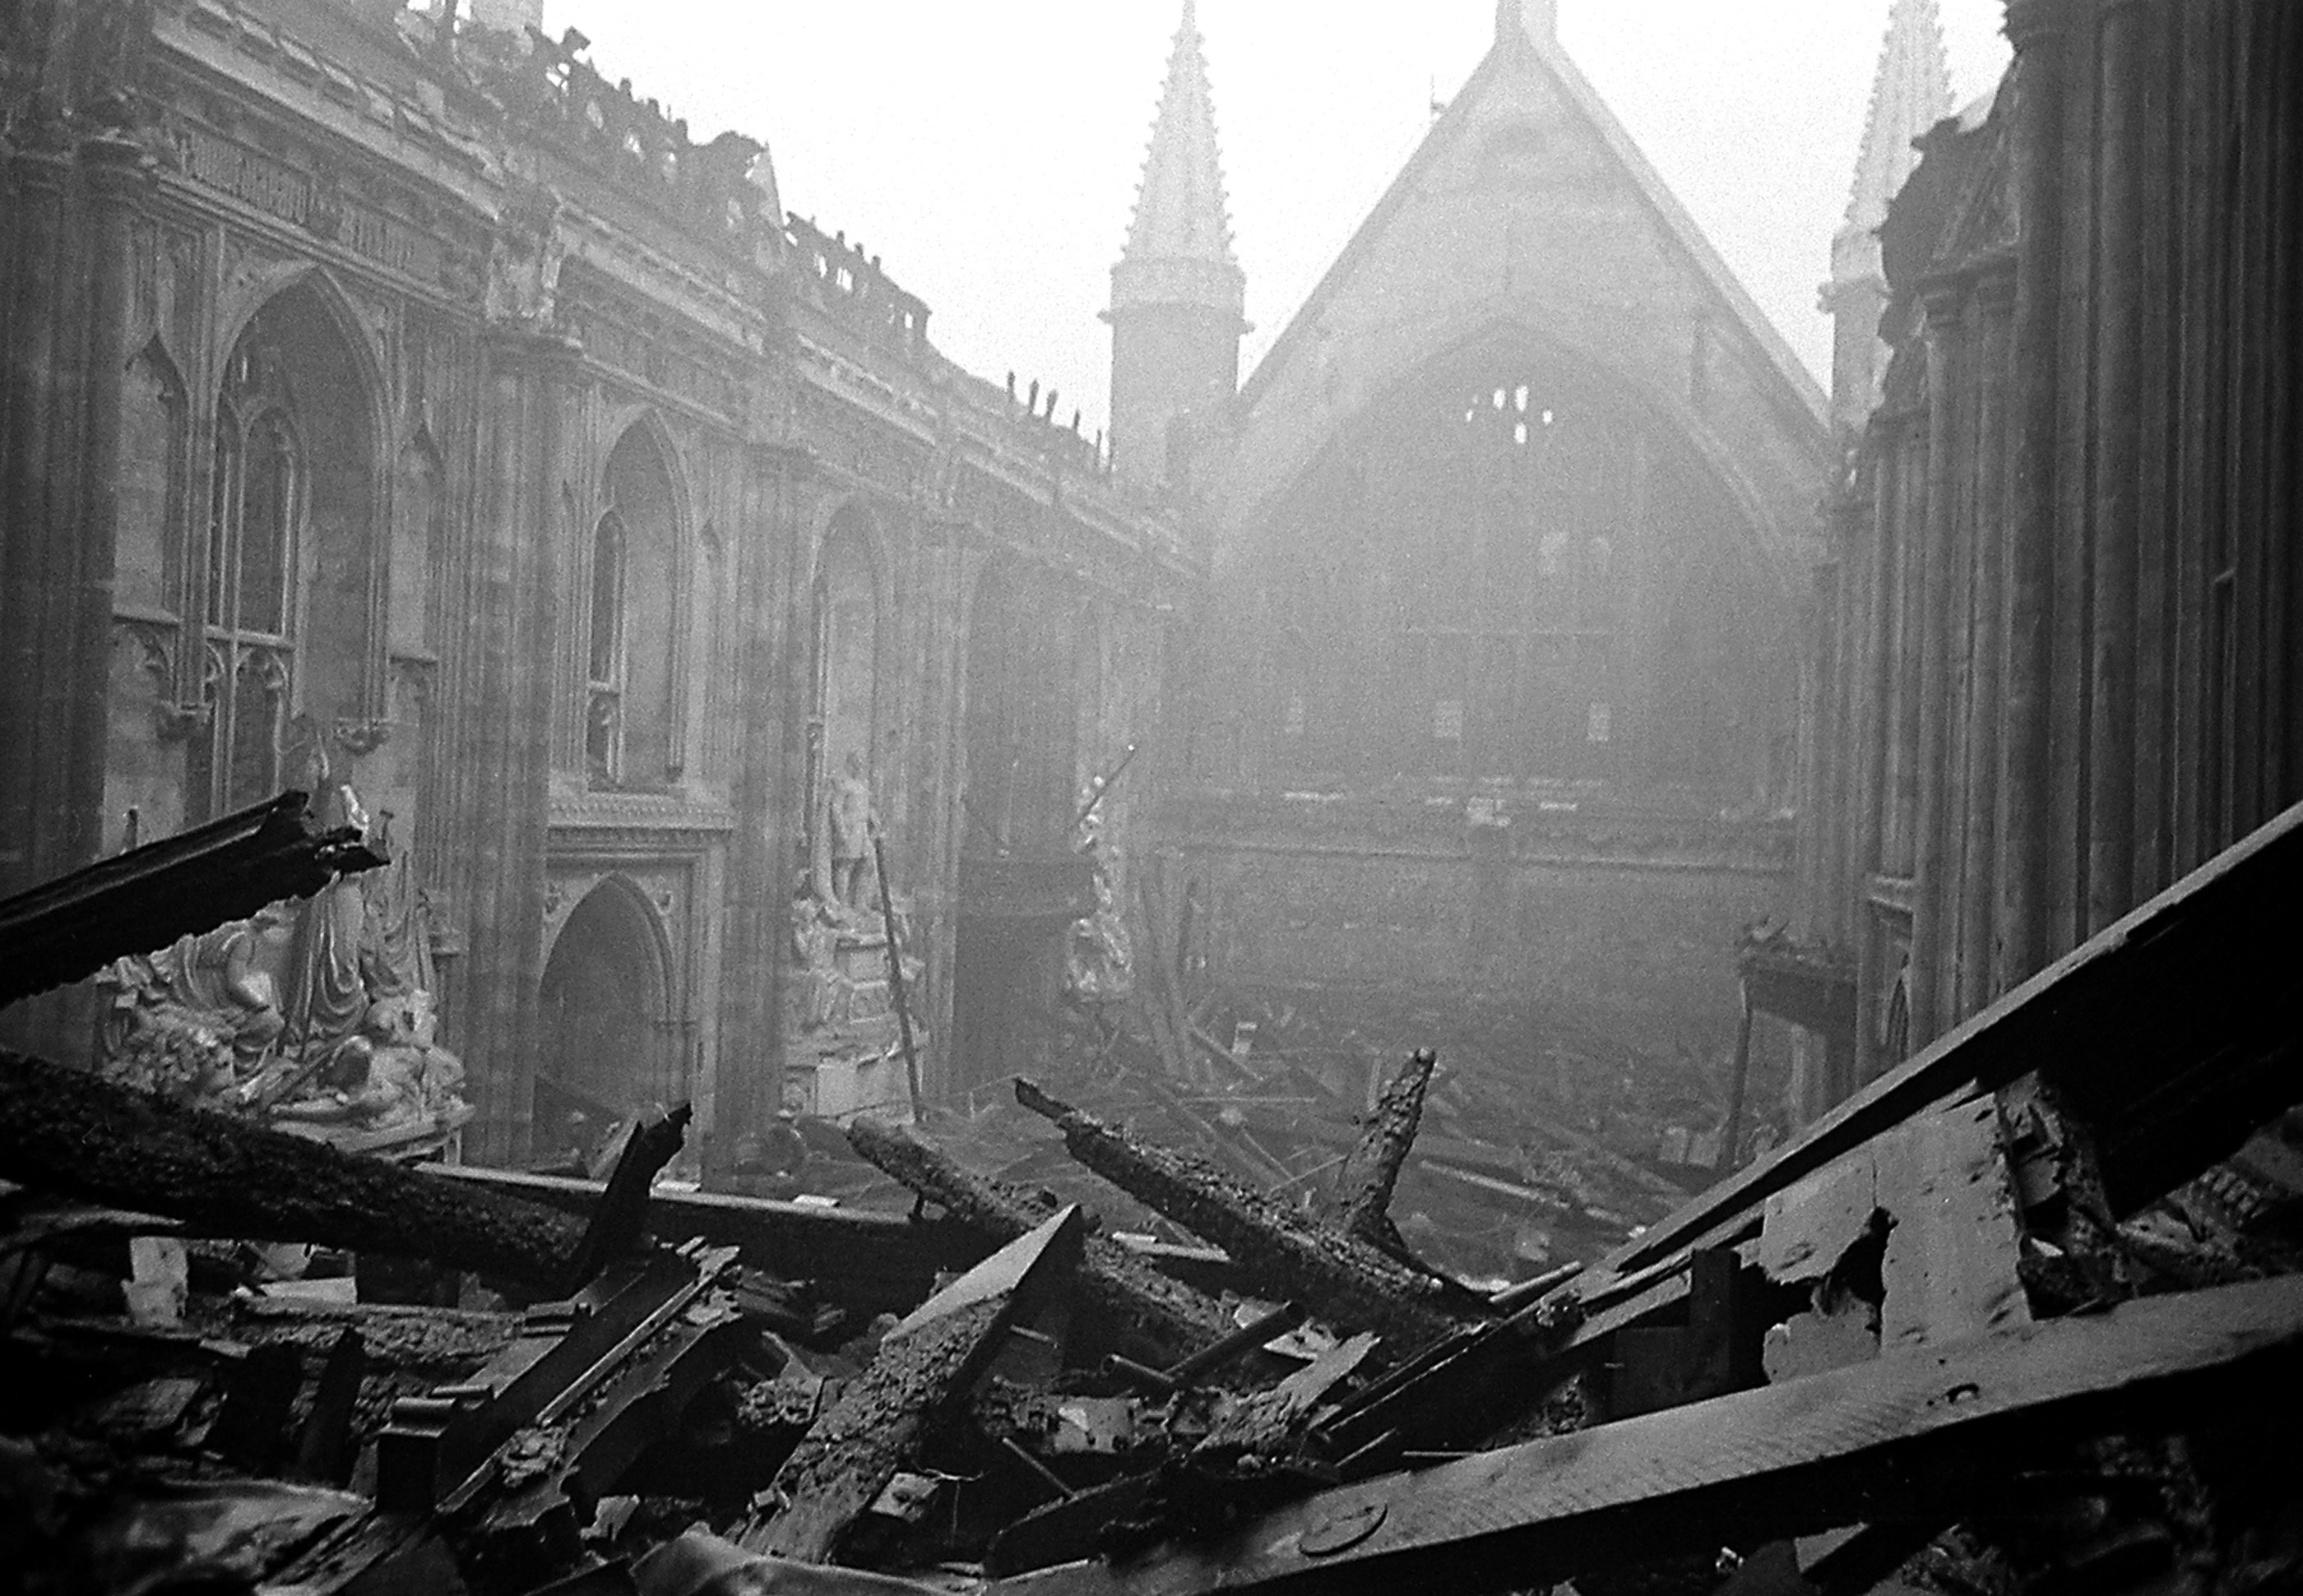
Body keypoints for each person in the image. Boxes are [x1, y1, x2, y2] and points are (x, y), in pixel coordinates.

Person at [827, 751, 873, 911]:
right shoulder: (843, 784)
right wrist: (842, 832)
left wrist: (873, 818)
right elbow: (836, 808)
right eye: (857, 763)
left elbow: (866, 806)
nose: (859, 767)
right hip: (850, 828)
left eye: (861, 764)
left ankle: (860, 902)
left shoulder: (862, 785)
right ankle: (843, 903)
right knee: (846, 864)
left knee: (868, 863)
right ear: (851, 764)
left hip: (862, 828)